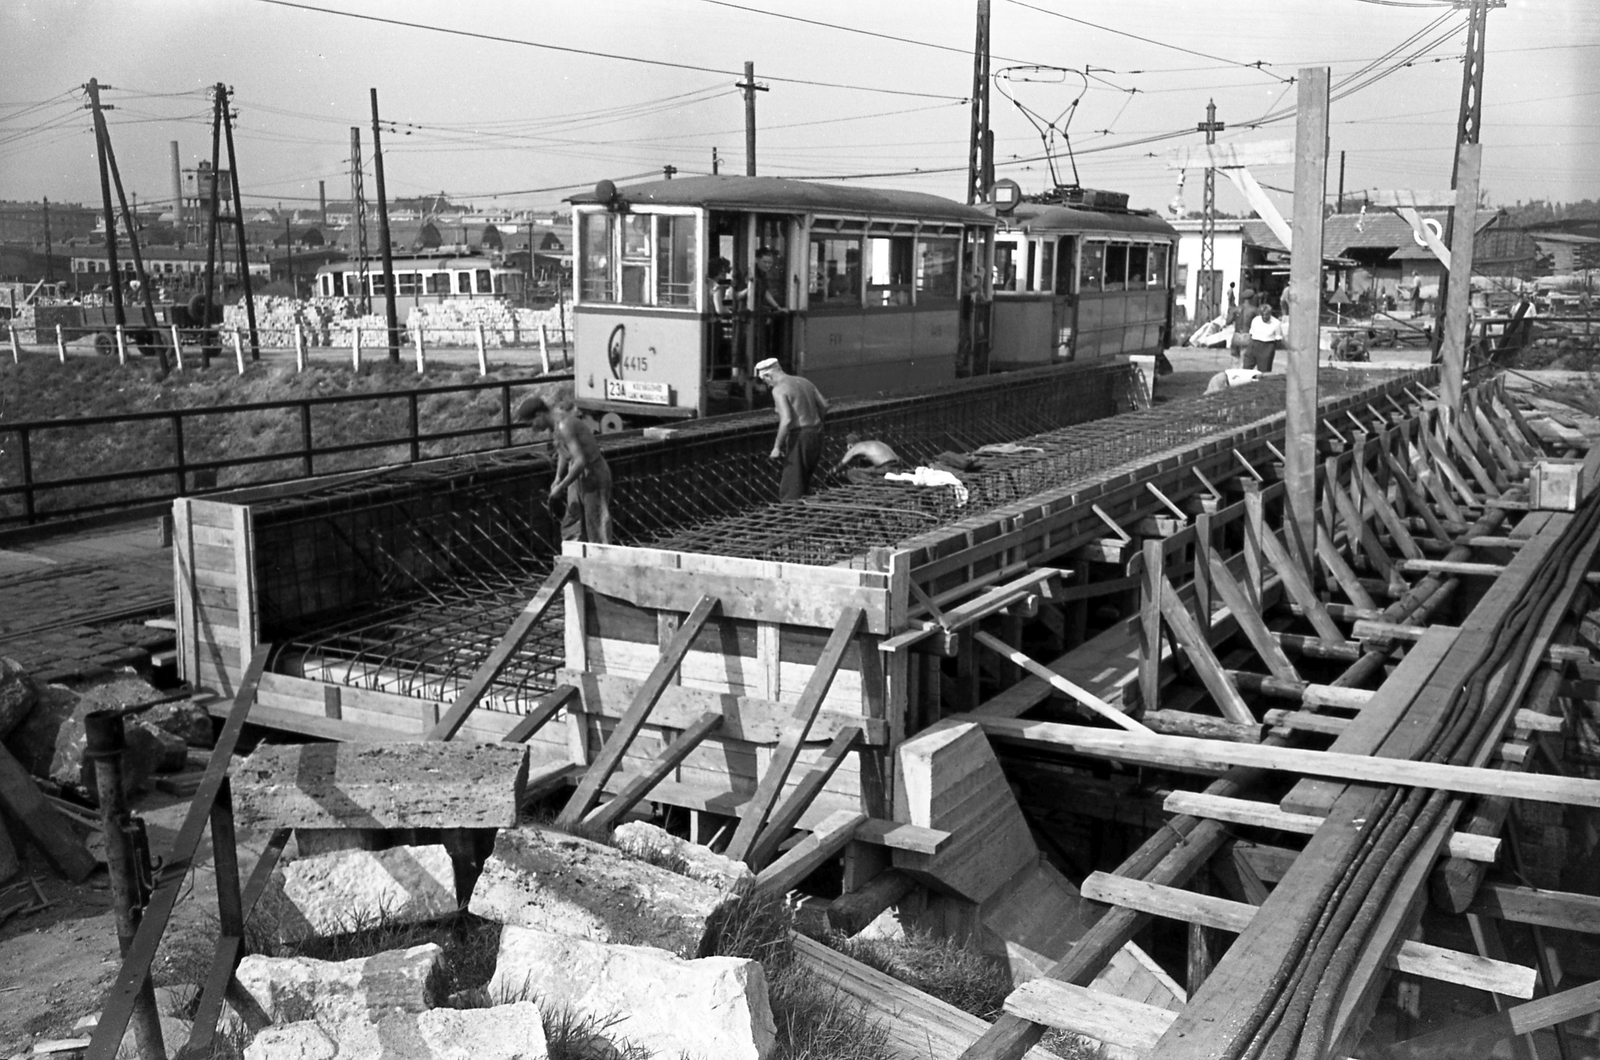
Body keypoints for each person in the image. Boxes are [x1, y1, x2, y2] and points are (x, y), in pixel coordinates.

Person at [515, 395, 613, 544]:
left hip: (593, 473)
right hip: (577, 473)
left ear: (539, 415)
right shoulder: (555, 426)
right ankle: (574, 559)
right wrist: (558, 477)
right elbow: (564, 452)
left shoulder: (564, 425)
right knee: (572, 521)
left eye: (531, 424)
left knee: (596, 524)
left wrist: (562, 486)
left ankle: (602, 561)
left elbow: (581, 460)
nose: (532, 429)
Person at [757, 357, 827, 501]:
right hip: (817, 434)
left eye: (765, 381)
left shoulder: (779, 389)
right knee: (804, 483)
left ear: (768, 375)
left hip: (801, 436)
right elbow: (824, 406)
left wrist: (777, 447)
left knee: (791, 487)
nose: (768, 385)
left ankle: (789, 518)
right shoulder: (804, 382)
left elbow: (787, 420)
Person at [1245, 299, 1286, 372]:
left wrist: (1271, 350)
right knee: (1246, 368)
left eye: (1267, 315)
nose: (1265, 317)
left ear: (1270, 314)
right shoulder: (1256, 320)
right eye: (1262, 315)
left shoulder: (1276, 323)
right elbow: (1251, 333)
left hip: (1267, 346)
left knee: (1264, 371)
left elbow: (1278, 339)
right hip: (1254, 344)